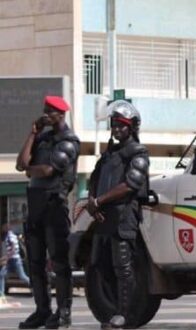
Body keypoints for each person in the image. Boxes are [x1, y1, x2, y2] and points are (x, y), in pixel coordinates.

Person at [15, 96, 80, 329]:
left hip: (54, 206)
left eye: (49, 112)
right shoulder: (43, 138)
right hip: (35, 207)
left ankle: (63, 313)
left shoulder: (68, 141)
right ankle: (42, 310)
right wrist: (33, 133)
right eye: (44, 111)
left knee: (59, 263)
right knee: (35, 263)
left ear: (61, 115)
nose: (45, 115)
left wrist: (30, 170)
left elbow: (47, 170)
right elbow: (20, 163)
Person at [86, 101, 150, 329]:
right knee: (101, 267)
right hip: (103, 218)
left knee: (123, 268)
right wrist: (92, 202)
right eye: (114, 125)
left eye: (121, 125)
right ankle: (113, 311)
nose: (116, 129)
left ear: (132, 127)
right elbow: (94, 178)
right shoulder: (109, 154)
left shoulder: (138, 153)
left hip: (123, 217)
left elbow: (130, 184)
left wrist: (100, 201)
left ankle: (124, 314)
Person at [0, 224, 31, 301]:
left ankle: (35, 286)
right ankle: (1, 294)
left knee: (22, 276)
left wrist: (7, 257)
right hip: (11, 260)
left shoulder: (10, 236)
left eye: (3, 228)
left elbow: (13, 248)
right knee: (2, 275)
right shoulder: (8, 236)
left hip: (15, 260)